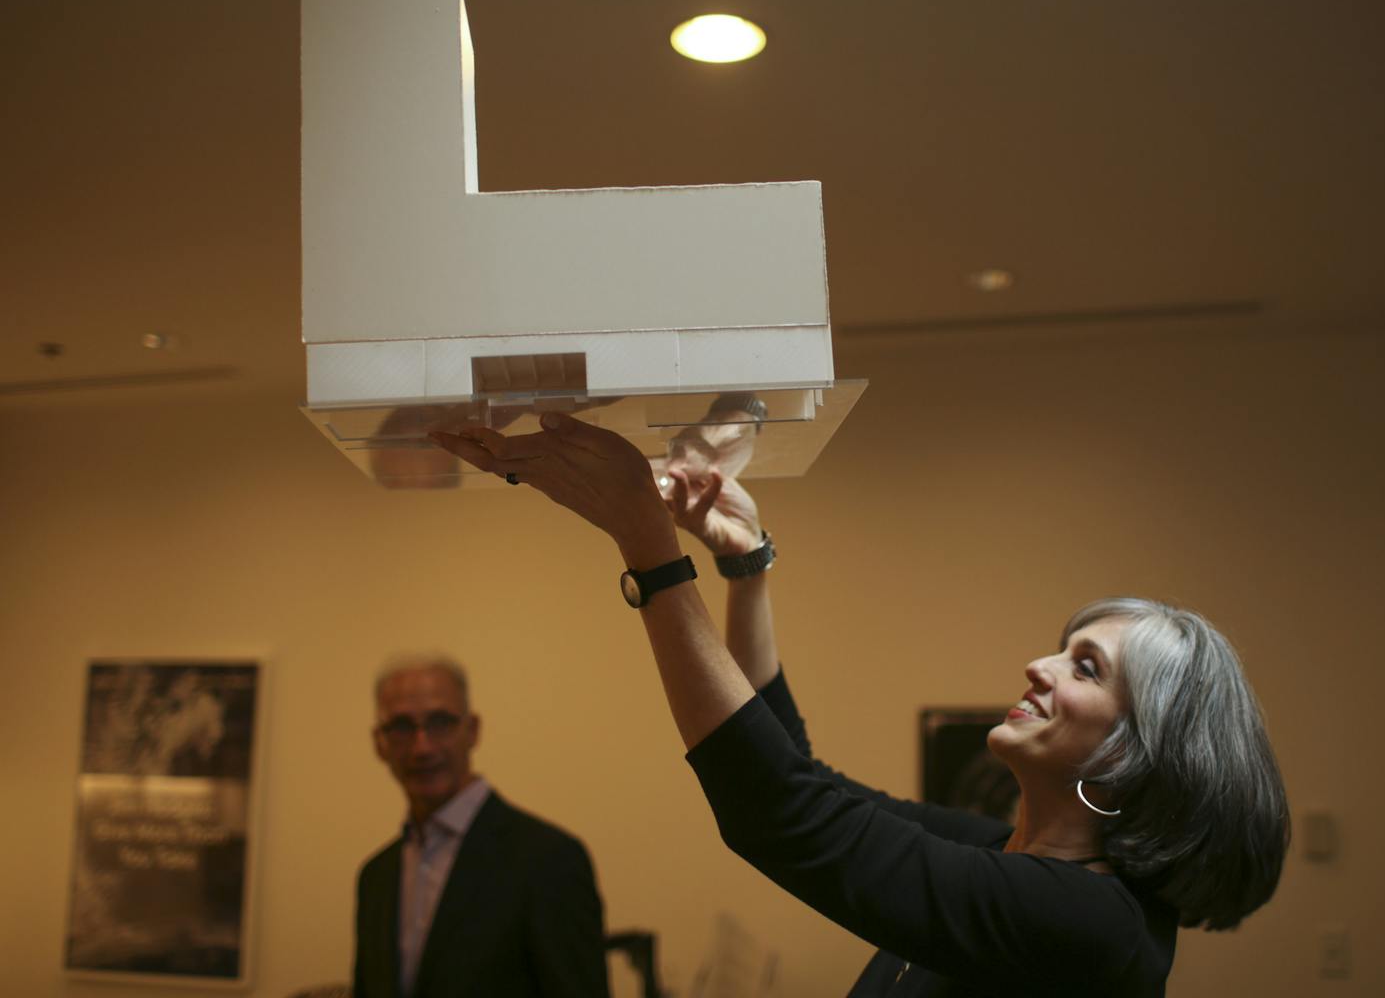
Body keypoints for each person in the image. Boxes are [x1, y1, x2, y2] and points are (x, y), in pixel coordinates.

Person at [430, 414, 1290, 997]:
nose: (1039, 665)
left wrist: (649, 550)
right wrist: (744, 568)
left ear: (1135, 755)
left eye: (1085, 667)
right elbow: (799, 775)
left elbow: (782, 813)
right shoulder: (1007, 851)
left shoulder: (1093, 924)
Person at [353, 654, 610, 998]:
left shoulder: (549, 859)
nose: (422, 746)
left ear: (472, 730)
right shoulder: (375, 877)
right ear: (379, 743)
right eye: (401, 727)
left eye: (440, 722)